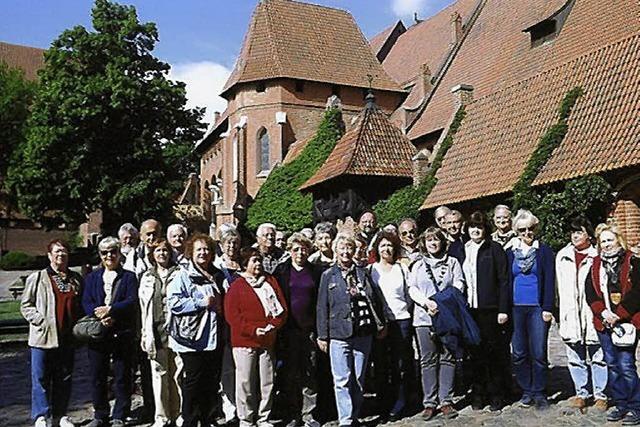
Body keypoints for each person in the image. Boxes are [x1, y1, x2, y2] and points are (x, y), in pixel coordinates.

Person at [316, 233, 386, 427]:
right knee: (342, 379)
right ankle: (345, 420)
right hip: (338, 333)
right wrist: (322, 335)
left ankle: (354, 415)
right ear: (336, 251)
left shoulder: (363, 273)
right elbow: (322, 307)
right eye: (342, 248)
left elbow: (375, 300)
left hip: (362, 332)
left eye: (349, 248)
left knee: (358, 378)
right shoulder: (328, 275)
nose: (346, 252)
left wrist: (380, 324)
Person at [21, 240, 83, 427]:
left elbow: (80, 305)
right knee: (40, 378)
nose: (60, 255)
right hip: (43, 337)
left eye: (64, 252)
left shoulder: (76, 279)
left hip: (67, 337)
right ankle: (41, 415)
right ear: (49, 256)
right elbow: (26, 305)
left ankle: (60, 415)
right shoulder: (38, 278)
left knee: (64, 378)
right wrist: (40, 320)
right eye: (56, 252)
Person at [166, 233, 226, 427]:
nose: (203, 253)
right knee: (193, 382)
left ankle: (207, 418)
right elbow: (173, 302)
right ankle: (190, 420)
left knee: (211, 381)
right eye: (199, 249)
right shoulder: (182, 275)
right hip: (191, 339)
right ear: (190, 252)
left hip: (214, 336)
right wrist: (201, 303)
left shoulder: (218, 274)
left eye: (207, 249)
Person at [225, 247, 288, 427]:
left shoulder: (270, 281)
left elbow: (281, 308)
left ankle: (264, 417)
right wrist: (252, 330)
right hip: (244, 341)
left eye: (259, 260)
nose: (258, 264)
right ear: (245, 264)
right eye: (254, 261)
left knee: (267, 380)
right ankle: (246, 418)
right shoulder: (237, 286)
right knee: (245, 382)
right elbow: (232, 316)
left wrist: (273, 325)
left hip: (267, 340)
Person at [586, 223, 640, 424]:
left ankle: (636, 406)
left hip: (626, 322)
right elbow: (590, 292)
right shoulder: (595, 264)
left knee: (626, 365)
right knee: (612, 365)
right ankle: (621, 403)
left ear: (618, 240)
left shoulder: (633, 261)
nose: (607, 244)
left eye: (610, 240)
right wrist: (603, 312)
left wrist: (619, 314)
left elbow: (637, 292)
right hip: (604, 322)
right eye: (603, 241)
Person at [408, 227, 465, 420]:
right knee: (428, 360)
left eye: (436, 240)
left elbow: (459, 284)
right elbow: (412, 288)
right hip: (424, 318)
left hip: (447, 316)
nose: (433, 243)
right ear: (424, 243)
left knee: (448, 357)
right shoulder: (417, 265)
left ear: (442, 242)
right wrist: (427, 303)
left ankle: (446, 400)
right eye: (429, 240)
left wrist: (443, 301)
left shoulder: (452, 263)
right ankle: (430, 402)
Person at [83, 237, 138, 427]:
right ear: (100, 255)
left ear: (119, 253)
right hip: (99, 333)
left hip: (121, 332)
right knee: (97, 375)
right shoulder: (92, 277)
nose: (109, 256)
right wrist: (99, 315)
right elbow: (86, 302)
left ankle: (120, 415)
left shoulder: (129, 277)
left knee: (122, 375)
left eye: (113, 251)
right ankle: (100, 414)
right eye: (105, 252)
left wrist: (112, 311)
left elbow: (132, 301)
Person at [460, 212, 510, 411]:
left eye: (479, 227)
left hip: (490, 310)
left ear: (485, 229)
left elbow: (504, 280)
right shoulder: (464, 249)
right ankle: (478, 394)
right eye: (472, 227)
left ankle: (496, 394)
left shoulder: (494, 249)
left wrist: (503, 309)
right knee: (475, 354)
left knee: (493, 353)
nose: (475, 231)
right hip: (470, 310)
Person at [556, 217, 607, 411]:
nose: (575, 235)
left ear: (589, 234)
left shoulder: (597, 256)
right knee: (575, 356)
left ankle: (600, 394)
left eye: (579, 231)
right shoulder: (562, 255)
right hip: (570, 313)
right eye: (573, 232)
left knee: (598, 356)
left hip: (591, 313)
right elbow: (558, 287)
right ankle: (581, 392)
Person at [507, 209, 555, 410]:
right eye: (522, 230)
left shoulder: (543, 251)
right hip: (516, 308)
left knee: (538, 351)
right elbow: (505, 281)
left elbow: (550, 280)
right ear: (516, 231)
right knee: (518, 352)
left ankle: (539, 391)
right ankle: (526, 389)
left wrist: (547, 307)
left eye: (530, 229)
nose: (527, 233)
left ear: (535, 228)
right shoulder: (510, 253)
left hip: (537, 308)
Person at [274, 234, 323, 427]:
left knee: (309, 373)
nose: (300, 253)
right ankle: (293, 413)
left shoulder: (316, 272)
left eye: (303, 249)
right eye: (296, 249)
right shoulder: (282, 270)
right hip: (289, 330)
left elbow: (320, 302)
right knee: (290, 373)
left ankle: (308, 413)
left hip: (309, 330)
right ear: (289, 251)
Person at [368, 231, 413, 421]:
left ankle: (400, 402)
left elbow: (410, 293)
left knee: (399, 364)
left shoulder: (401, 269)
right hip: (380, 323)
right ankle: (383, 403)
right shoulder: (371, 270)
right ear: (377, 248)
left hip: (401, 320)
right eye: (383, 245)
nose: (386, 249)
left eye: (390, 245)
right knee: (380, 365)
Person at [139, 239, 181, 427]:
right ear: (152, 254)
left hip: (177, 332)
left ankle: (179, 415)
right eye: (158, 251)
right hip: (155, 332)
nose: (162, 253)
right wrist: (144, 334)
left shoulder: (180, 273)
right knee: (159, 376)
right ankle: (162, 417)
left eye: (165, 250)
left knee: (178, 375)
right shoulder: (146, 277)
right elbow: (142, 309)